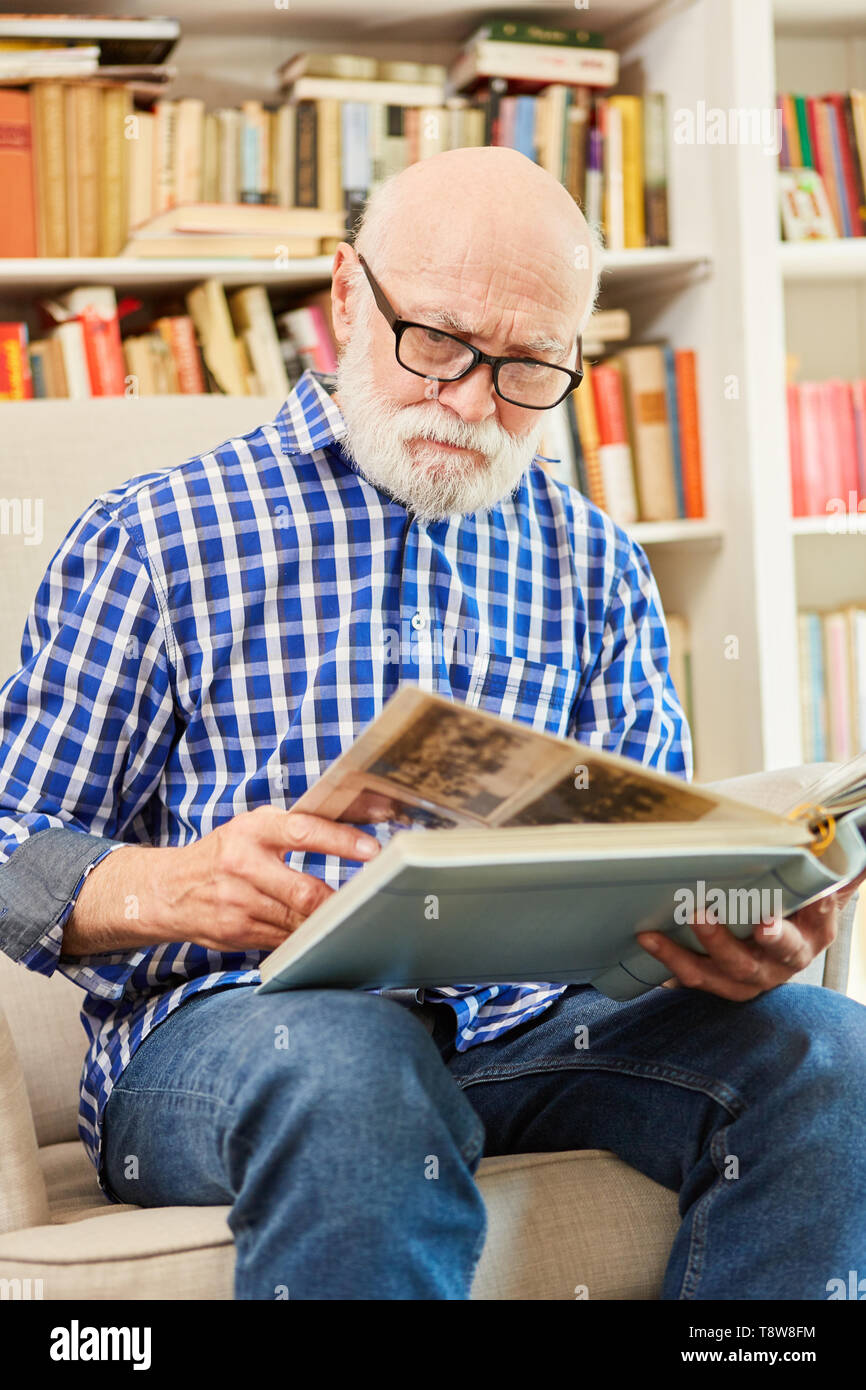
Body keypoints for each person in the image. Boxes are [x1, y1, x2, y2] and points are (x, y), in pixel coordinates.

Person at [0, 147, 863, 1300]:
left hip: (531, 1035)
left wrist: (728, 924)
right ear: (349, 296)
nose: (470, 401)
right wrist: (170, 884)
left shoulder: (594, 559)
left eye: (525, 368)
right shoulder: (154, 538)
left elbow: (644, 862)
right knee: (356, 1060)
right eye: (441, 343)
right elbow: (14, 836)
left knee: (827, 1051)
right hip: (234, 1039)